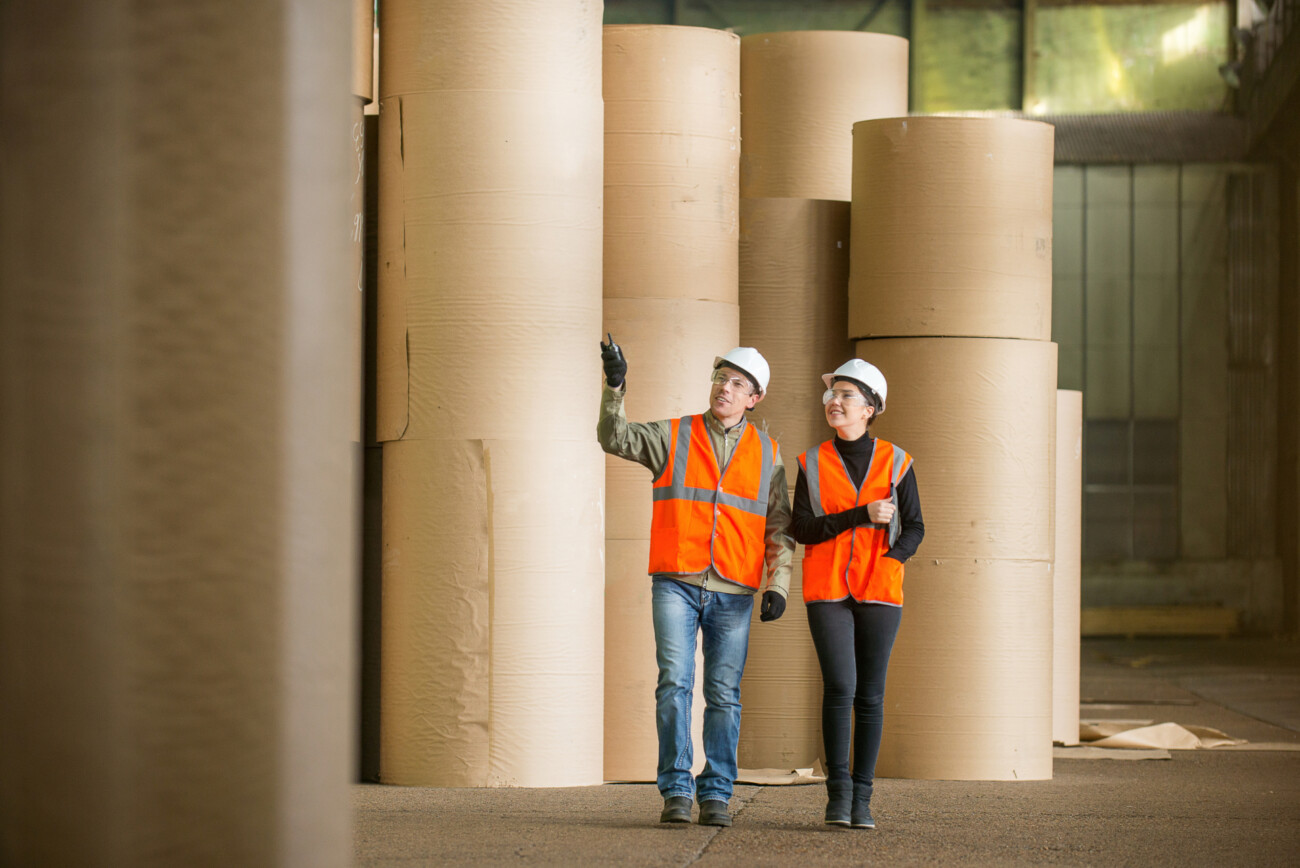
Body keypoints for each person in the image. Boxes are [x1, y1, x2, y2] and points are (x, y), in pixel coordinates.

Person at [598, 337, 794, 828]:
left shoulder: (769, 453)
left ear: (755, 398)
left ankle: (717, 794)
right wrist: (615, 385)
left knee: (724, 693)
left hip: (734, 590)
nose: (724, 388)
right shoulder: (674, 435)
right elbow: (613, 436)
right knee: (675, 685)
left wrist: (779, 584)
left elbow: (779, 528)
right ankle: (677, 791)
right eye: (720, 379)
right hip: (676, 581)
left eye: (737, 384)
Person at [790, 359, 924, 830]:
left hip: (880, 591)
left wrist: (892, 560)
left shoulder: (897, 461)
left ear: (869, 409)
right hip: (827, 589)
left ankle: (862, 798)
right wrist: (860, 515)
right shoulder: (810, 462)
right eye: (832, 394)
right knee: (840, 688)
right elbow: (802, 529)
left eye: (846, 395)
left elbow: (917, 528)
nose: (835, 402)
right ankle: (837, 794)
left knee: (869, 694)